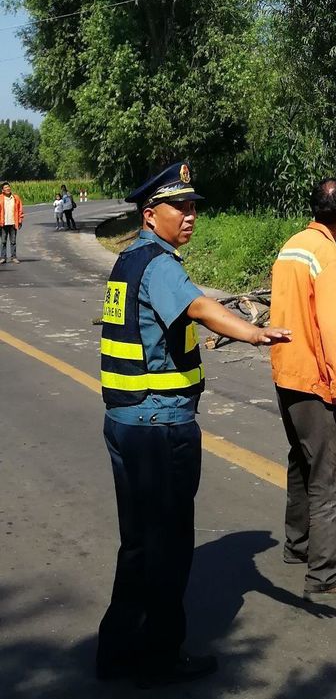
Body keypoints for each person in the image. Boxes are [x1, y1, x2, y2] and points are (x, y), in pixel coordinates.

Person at [96, 161, 290, 687]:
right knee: (168, 545)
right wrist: (253, 333)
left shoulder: (128, 261)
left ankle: (115, 651)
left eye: (192, 207)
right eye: (178, 207)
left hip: (125, 421)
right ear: (149, 212)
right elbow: (200, 306)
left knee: (137, 542)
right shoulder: (159, 265)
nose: (189, 216)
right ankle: (159, 656)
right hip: (160, 425)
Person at [269, 178, 336, 602]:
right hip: (316, 380)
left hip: (286, 374)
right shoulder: (327, 255)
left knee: (301, 462)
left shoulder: (291, 246)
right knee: (331, 476)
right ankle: (326, 574)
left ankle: (299, 545)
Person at [0, 182, 23, 264]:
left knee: (13, 241)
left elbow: (20, 210)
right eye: (5, 187)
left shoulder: (16, 198)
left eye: (8, 187)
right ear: (2, 190)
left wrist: (20, 220)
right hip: (3, 223)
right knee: (3, 241)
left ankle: (13, 257)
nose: (7, 188)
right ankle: (3, 258)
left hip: (13, 223)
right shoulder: (0, 198)